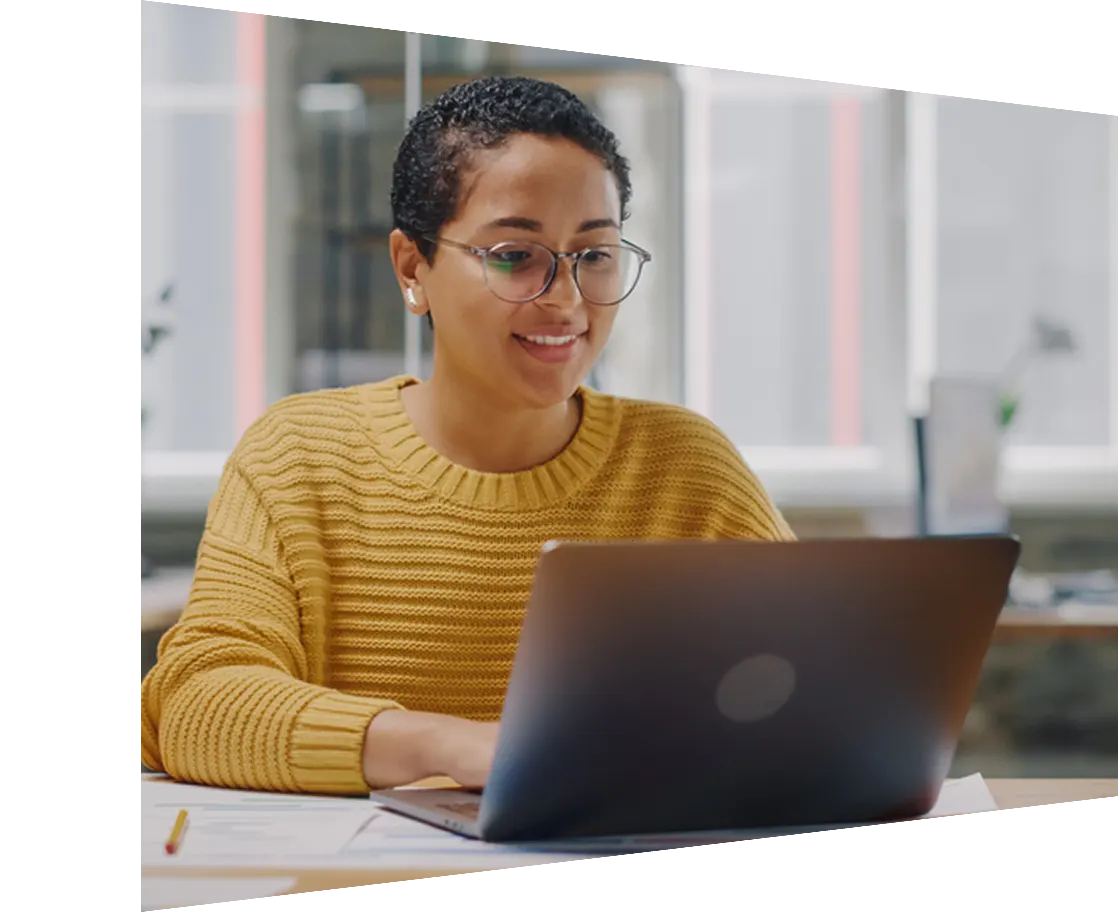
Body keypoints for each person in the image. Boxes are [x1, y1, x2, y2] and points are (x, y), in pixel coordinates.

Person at [140, 75, 794, 797]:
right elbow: (197, 704)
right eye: (516, 255)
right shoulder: (300, 457)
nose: (566, 300)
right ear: (412, 267)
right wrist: (450, 746)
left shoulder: (686, 468)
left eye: (595, 255)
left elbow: (819, 696)